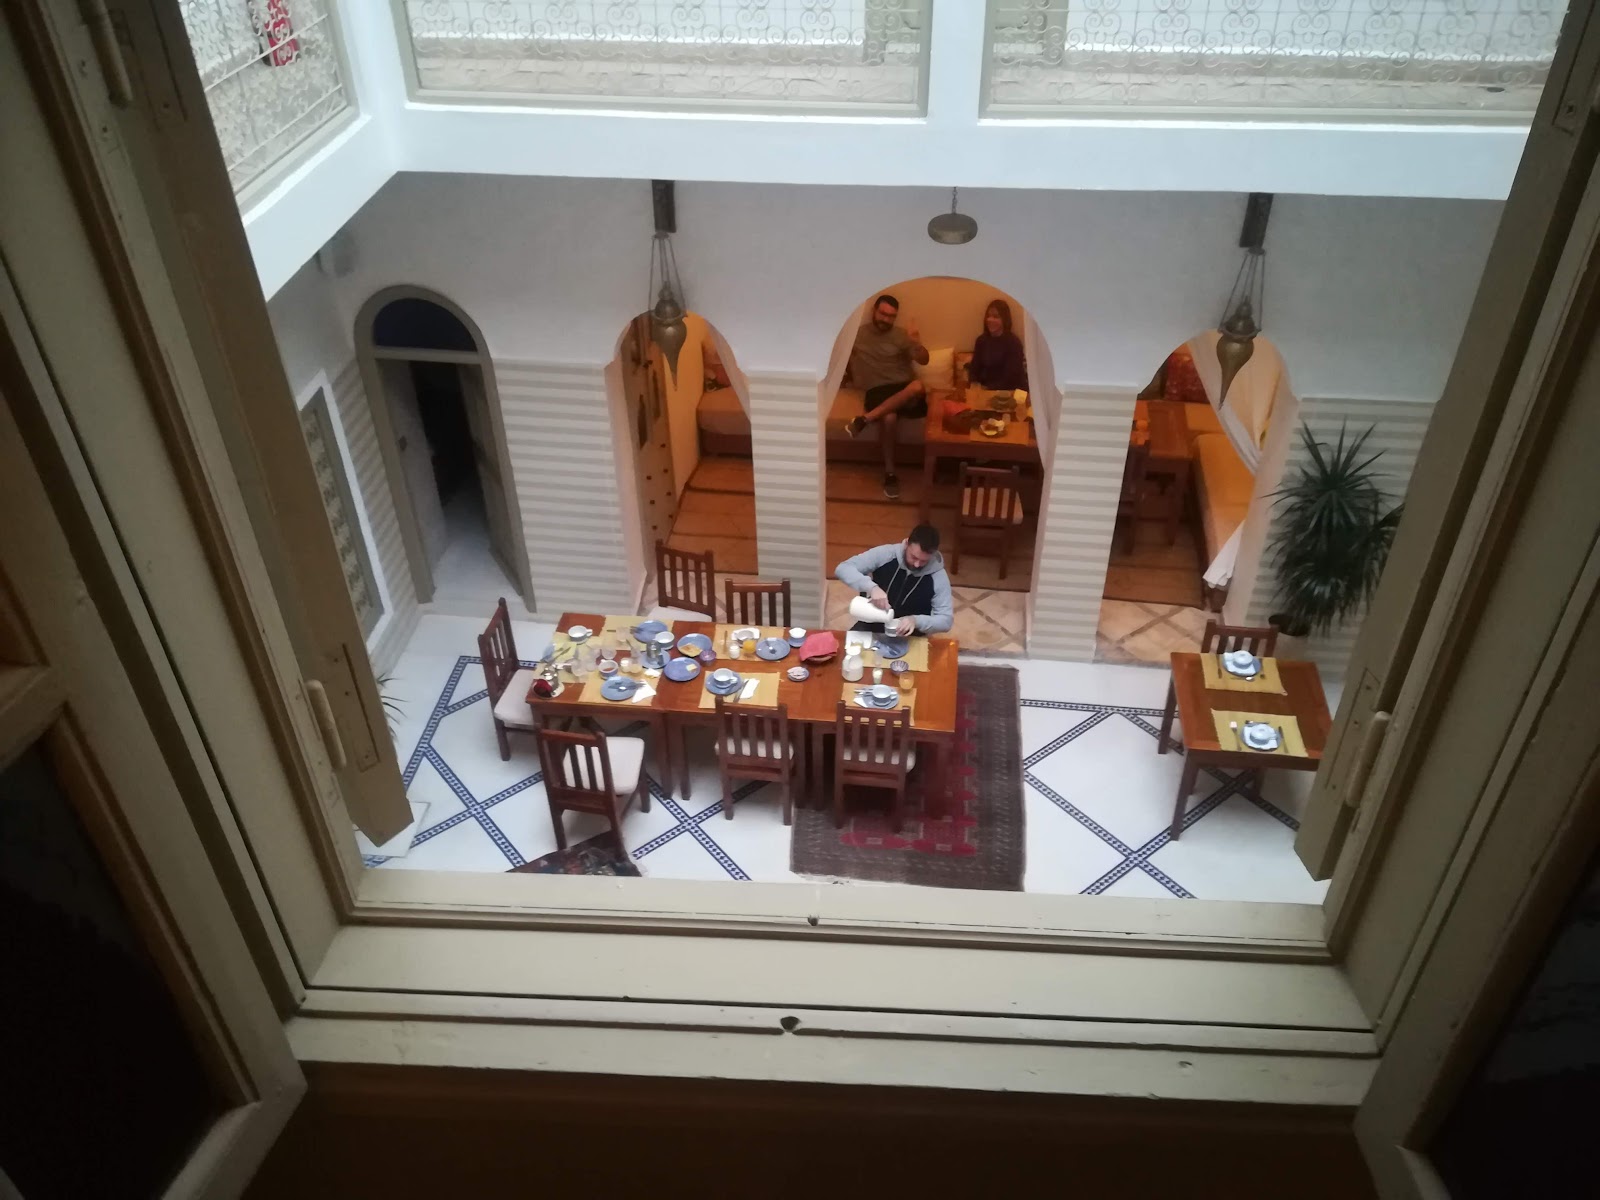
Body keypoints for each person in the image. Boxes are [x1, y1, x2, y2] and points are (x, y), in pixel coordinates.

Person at [843, 294, 929, 500]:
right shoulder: (857, 335)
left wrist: (917, 344)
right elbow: (839, 356)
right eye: (883, 314)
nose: (886, 319)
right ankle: (890, 474)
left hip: (904, 387)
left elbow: (924, 360)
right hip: (878, 390)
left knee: (917, 385)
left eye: (891, 316)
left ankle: (864, 420)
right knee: (889, 418)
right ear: (874, 311)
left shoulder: (901, 335)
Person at [835, 524, 953, 636]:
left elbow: (946, 620)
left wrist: (916, 620)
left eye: (924, 561)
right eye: (913, 557)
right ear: (906, 543)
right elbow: (843, 568)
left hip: (910, 633)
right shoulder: (886, 554)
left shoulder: (938, 577)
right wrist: (872, 588)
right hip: (872, 622)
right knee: (846, 647)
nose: (917, 564)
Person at [967, 298, 1028, 392]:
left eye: (996, 317)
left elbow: (1011, 378)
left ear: (1005, 320)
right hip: (986, 390)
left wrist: (987, 389)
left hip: (1010, 392)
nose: (990, 320)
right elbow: (974, 368)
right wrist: (974, 383)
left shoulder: (1013, 343)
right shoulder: (981, 341)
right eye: (988, 316)